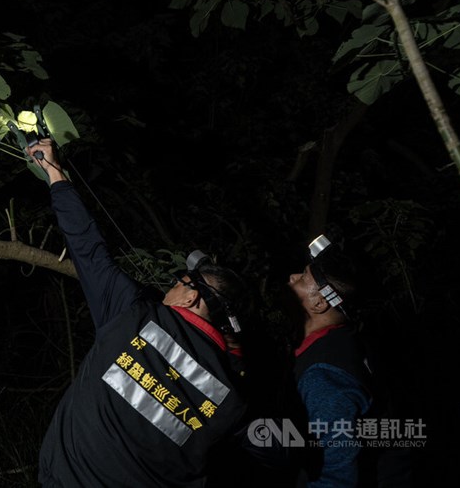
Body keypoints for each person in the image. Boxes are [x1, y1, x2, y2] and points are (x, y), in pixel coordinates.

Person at [27, 138, 286, 487]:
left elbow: (87, 246)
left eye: (181, 280)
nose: (171, 285)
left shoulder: (131, 312)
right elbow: (276, 452)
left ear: (192, 298)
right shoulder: (235, 403)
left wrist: (54, 172)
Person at [286, 235, 373, 487]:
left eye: (303, 277)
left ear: (320, 302)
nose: (292, 277)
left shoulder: (323, 377)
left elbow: (337, 477)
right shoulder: (344, 338)